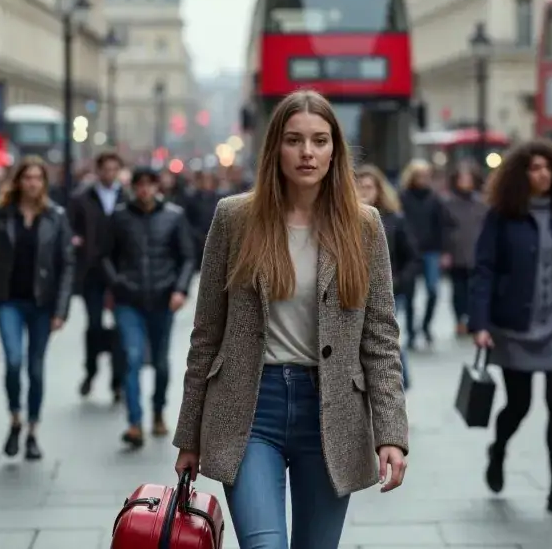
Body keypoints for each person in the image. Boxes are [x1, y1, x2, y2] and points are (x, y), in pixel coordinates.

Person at [173, 90, 409, 549]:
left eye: (320, 141)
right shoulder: (234, 218)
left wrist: (392, 434)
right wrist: (189, 436)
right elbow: (206, 334)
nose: (307, 153)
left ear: (334, 150)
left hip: (331, 411)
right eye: (294, 140)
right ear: (274, 148)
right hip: (249, 408)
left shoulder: (364, 226)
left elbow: (380, 337)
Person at [469, 139, 552, 511]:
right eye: (534, 168)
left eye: (548, 167)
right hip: (514, 322)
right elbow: (485, 269)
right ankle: (498, 450)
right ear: (520, 174)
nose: (542, 174)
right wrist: (479, 322)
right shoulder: (502, 214)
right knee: (519, 404)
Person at [0, 157, 75, 461]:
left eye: (38, 178)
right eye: (27, 177)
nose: (33, 183)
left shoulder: (56, 216)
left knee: (35, 367)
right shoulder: (0, 216)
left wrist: (61, 309)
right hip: (8, 301)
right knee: (15, 361)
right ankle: (15, 419)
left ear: (44, 183)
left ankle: (32, 429)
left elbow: (67, 264)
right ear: (18, 181)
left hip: (43, 304)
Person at [102, 168, 196, 447]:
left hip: (162, 298)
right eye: (139, 185)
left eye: (149, 185)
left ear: (157, 187)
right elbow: (105, 255)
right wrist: (117, 284)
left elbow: (187, 257)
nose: (144, 190)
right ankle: (134, 422)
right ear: (133, 188)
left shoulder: (173, 216)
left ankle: (157, 411)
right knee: (132, 357)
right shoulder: (120, 217)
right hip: (128, 300)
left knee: (160, 361)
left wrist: (180, 289)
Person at [355, 163, 420, 389]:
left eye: (368, 187)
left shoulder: (394, 219)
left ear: (378, 189)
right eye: (359, 187)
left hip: (389, 290)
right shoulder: (345, 221)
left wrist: (400, 281)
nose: (363, 192)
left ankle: (399, 381)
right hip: (356, 291)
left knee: (385, 336)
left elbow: (411, 256)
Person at [70, 151, 126, 401]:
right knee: (93, 326)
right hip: (91, 272)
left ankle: (117, 381)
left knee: (121, 329)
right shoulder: (81, 198)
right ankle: (90, 372)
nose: (110, 174)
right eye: (106, 169)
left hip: (120, 273)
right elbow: (69, 229)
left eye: (114, 169)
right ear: (98, 170)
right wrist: (75, 241)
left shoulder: (127, 198)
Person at [398, 159, 448, 347]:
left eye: (426, 175)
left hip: (431, 251)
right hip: (410, 252)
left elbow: (441, 225)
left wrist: (443, 250)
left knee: (433, 291)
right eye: (420, 175)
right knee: (409, 294)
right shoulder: (403, 197)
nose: (423, 179)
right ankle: (411, 332)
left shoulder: (434, 198)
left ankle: (426, 326)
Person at [441, 163, 487, 338]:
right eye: (462, 179)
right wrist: (445, 252)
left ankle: (472, 319)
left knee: (475, 289)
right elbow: (443, 228)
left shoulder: (481, 203)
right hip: (456, 252)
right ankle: (460, 320)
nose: (465, 182)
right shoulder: (448, 203)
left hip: (477, 252)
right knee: (458, 290)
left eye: (468, 178)